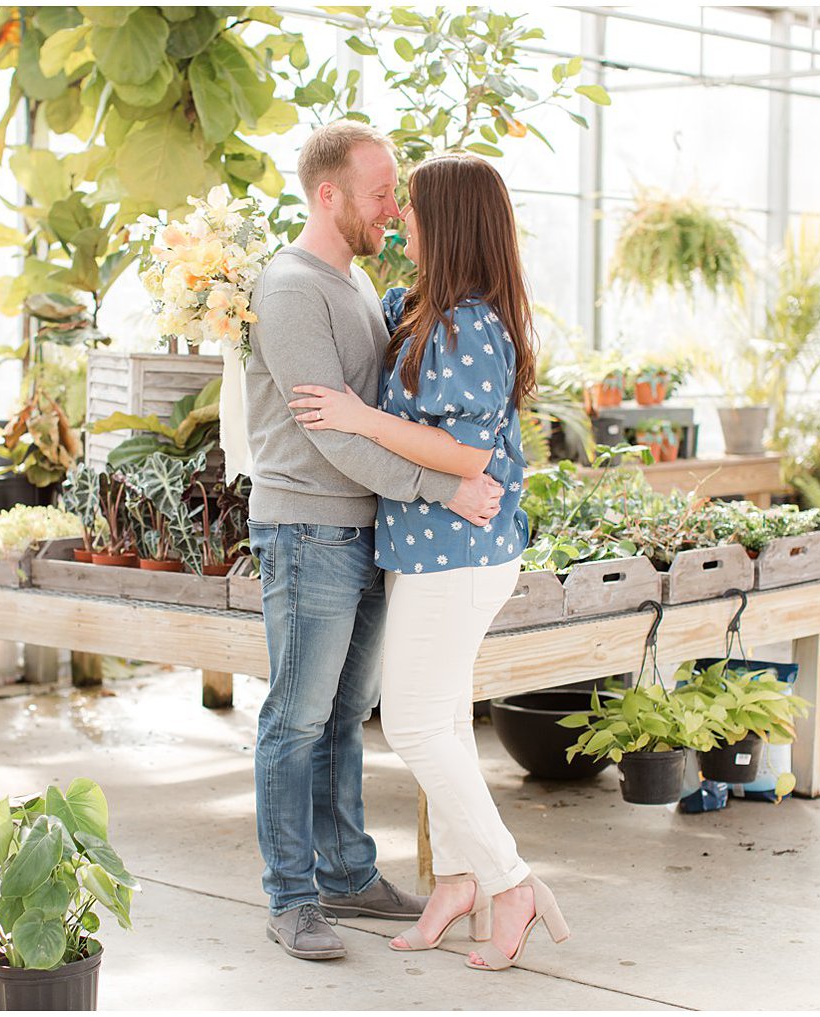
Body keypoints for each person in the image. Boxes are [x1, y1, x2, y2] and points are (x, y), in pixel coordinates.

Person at [287, 153, 570, 972]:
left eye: (411, 208)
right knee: (440, 719)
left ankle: (510, 881)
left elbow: (467, 453)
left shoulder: (472, 325)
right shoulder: (414, 306)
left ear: (446, 223)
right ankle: (458, 881)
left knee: (410, 720)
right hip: (426, 549)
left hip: (463, 555)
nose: (400, 219)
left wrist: (359, 418)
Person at [243, 121, 506, 962]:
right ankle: (291, 895)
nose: (396, 207)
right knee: (295, 716)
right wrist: (446, 487)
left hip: (363, 529)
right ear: (331, 195)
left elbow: (388, 420)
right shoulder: (291, 289)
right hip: (308, 527)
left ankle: (347, 872)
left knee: (347, 713)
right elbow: (338, 437)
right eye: (383, 191)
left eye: (399, 193)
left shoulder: (356, 284)